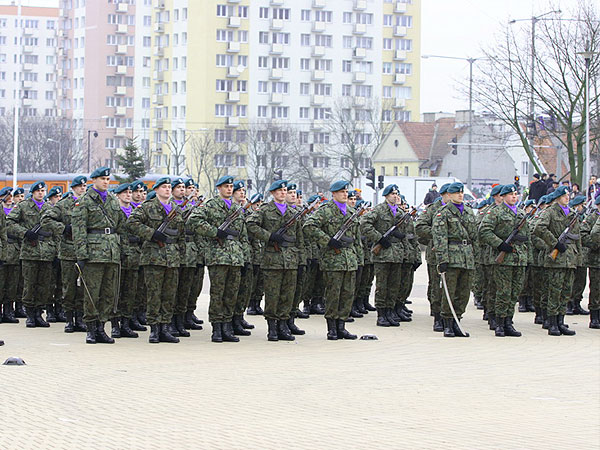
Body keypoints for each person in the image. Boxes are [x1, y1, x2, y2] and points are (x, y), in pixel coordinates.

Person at [188, 175, 249, 343]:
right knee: (218, 293)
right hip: (218, 256)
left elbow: (243, 234)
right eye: (226, 186)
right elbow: (193, 221)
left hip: (235, 256)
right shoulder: (210, 205)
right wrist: (214, 232)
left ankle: (227, 326)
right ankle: (216, 327)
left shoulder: (237, 208)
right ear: (219, 188)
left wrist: (244, 257)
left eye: (231, 187)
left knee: (231, 294)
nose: (229, 189)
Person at [72, 167, 126, 344]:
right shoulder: (84, 201)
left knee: (108, 293)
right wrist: (81, 254)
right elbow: (79, 230)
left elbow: (120, 226)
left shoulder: (112, 199)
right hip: (94, 253)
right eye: (102, 178)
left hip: (111, 251)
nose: (106, 182)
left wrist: (122, 250)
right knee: (91, 293)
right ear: (93, 180)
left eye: (108, 179)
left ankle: (102, 326)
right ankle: (90, 328)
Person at [127, 177, 185, 343]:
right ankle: (154, 328)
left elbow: (180, 234)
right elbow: (131, 223)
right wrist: (151, 234)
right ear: (157, 189)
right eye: (164, 187)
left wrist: (181, 255)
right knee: (154, 294)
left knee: (169, 294)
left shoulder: (176, 209)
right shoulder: (147, 207)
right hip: (153, 256)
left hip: (172, 257)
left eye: (169, 187)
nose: (167, 190)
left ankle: (165, 327)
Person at [247, 180, 305, 341]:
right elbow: (250, 224)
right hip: (272, 259)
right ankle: (272, 327)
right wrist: (269, 236)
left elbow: (299, 238)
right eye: (279, 191)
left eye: (284, 190)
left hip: (291, 259)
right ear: (272, 193)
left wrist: (301, 260)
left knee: (288, 295)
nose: (282, 193)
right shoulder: (265, 210)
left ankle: (283, 325)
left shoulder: (293, 213)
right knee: (273, 295)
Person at [304, 180, 361, 340]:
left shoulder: (351, 212)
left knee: (347, 294)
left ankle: (342, 326)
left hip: (349, 259)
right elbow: (309, 226)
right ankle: (332, 328)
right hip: (332, 260)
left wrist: (358, 258)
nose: (345, 194)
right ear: (334, 194)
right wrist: (327, 240)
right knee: (333, 294)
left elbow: (356, 239)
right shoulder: (326, 210)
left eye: (346, 191)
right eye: (342, 192)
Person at [479, 184, 528, 337]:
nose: (514, 196)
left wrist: (528, 258)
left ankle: (508, 322)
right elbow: (484, 231)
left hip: (519, 258)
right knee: (503, 292)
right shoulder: (496, 212)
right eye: (511, 194)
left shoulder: (521, 213)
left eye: (515, 194)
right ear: (504, 196)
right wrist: (500, 244)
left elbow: (527, 238)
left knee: (514, 293)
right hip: (503, 259)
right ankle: (499, 322)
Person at [40, 176, 88, 333]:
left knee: (83, 288)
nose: (82, 188)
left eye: (84, 186)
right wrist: (62, 228)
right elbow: (46, 219)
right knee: (68, 287)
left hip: (86, 250)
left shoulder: (89, 203)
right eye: (79, 186)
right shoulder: (63, 204)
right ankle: (69, 319)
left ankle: (80, 318)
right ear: (73, 188)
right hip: (68, 250)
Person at [431, 182, 477, 338]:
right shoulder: (442, 213)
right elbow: (439, 238)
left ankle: (458, 321)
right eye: (456, 193)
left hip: (467, 257)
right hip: (451, 257)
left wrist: (475, 256)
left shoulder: (469, 212)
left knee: (464, 293)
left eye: (462, 192)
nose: (460, 195)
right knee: (449, 292)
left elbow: (474, 237)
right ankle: (448, 324)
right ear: (449, 195)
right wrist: (442, 260)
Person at [7, 181, 55, 328]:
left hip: (46, 250)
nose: (41, 193)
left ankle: (39, 314)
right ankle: (29, 314)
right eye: (38, 191)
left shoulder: (49, 208)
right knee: (29, 284)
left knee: (44, 285)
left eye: (43, 191)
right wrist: (24, 233)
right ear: (33, 192)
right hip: (29, 250)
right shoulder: (23, 206)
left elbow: (55, 229)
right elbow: (9, 223)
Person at [532, 185, 579, 336]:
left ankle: (561, 321)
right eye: (564, 196)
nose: (567, 198)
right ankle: (552, 322)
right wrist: (554, 243)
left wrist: (578, 257)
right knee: (554, 291)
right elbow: (539, 228)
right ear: (558, 197)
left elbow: (577, 237)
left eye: (568, 196)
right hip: (556, 258)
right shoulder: (550, 211)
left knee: (565, 292)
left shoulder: (572, 213)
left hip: (569, 258)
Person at [360, 184, 408, 327]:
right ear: (386, 196)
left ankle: (390, 312)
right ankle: (381, 314)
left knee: (394, 285)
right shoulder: (379, 210)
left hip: (397, 253)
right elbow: (364, 224)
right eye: (392, 193)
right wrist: (379, 238)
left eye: (397, 193)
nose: (395, 196)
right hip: (382, 253)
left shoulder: (399, 212)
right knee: (382, 285)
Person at [416, 183, 451, 331]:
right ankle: (437, 315)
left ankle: (449, 316)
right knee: (436, 285)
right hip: (436, 253)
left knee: (451, 286)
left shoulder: (460, 210)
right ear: (444, 194)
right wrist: (437, 234)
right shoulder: (432, 209)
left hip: (455, 254)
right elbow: (420, 227)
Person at [110, 183, 142, 339]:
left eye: (130, 192)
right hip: (119, 256)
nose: (128, 195)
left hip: (134, 257)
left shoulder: (137, 212)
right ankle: (115, 325)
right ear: (118, 195)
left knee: (130, 293)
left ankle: (126, 324)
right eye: (124, 193)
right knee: (117, 292)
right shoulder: (114, 212)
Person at [566, 195, 589, 316]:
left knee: (581, 280)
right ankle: (568, 303)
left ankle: (577, 303)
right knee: (572, 280)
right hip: (572, 253)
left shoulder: (585, 217)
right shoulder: (571, 217)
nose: (583, 208)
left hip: (583, 254)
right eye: (581, 206)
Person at [582, 195, 600, 329]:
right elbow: (583, 235)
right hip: (596, 260)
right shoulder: (591, 218)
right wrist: (594, 244)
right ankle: (594, 318)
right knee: (596, 289)